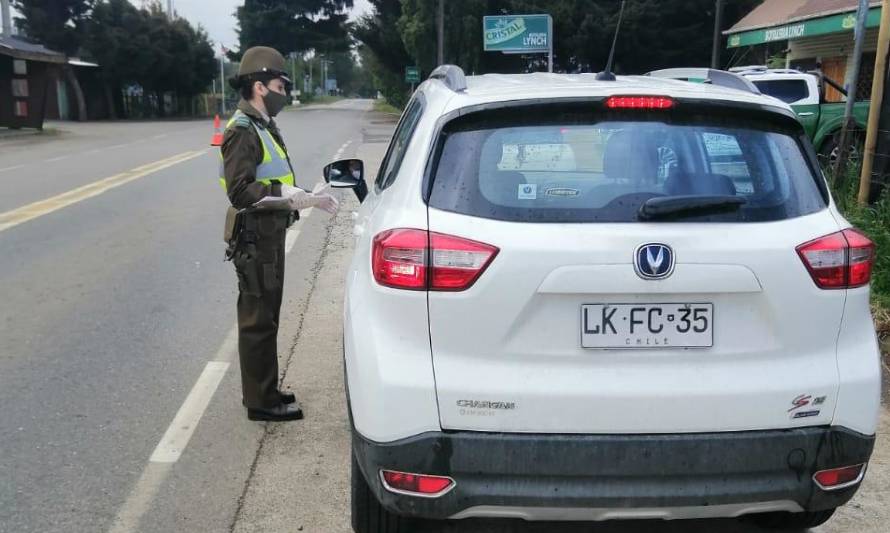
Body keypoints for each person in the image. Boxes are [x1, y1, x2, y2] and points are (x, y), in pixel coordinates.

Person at [220, 46, 337, 422]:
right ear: (258, 87)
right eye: (278, 86)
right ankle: (262, 403)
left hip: (267, 235)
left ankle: (264, 389)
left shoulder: (261, 125)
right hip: (255, 238)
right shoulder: (242, 131)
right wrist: (285, 195)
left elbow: (273, 180)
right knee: (258, 319)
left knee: (266, 316)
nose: (283, 94)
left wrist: (301, 196)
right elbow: (239, 190)